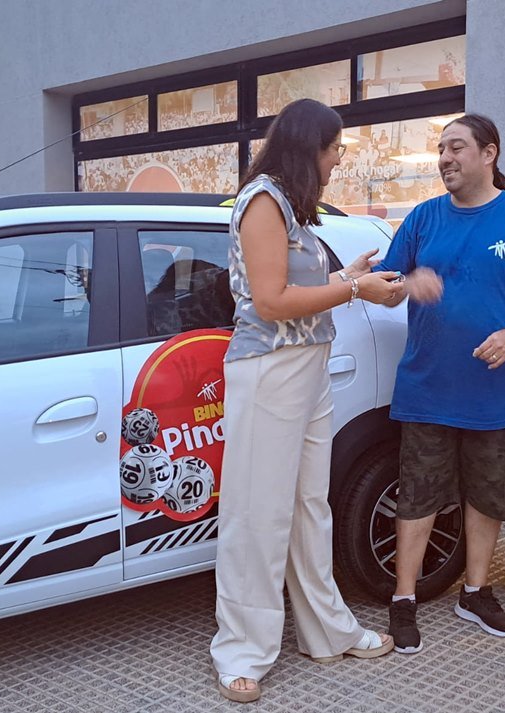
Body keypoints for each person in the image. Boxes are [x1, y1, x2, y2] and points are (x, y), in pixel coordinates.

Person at [210, 99, 400, 703]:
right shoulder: (263, 201)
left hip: (306, 367)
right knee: (257, 513)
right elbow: (270, 301)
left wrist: (349, 275)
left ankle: (327, 630)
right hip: (269, 368)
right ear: (308, 146)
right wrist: (354, 288)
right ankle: (241, 651)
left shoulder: (290, 207)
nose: (338, 159)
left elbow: (297, 289)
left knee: (308, 508)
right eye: (335, 148)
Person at [377, 114, 505, 654]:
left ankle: (475, 591)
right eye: (441, 149)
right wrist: (405, 284)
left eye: (456, 147)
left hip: (498, 390)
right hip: (427, 387)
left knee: (490, 495)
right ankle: (403, 598)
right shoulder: (423, 217)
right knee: (417, 495)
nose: (444, 158)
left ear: (489, 154)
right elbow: (384, 285)